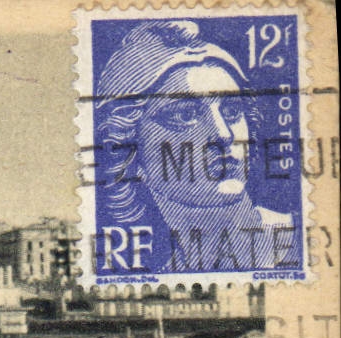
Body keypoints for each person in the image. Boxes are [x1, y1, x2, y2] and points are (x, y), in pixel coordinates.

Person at [93, 20, 297, 274]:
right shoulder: (154, 274)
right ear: (128, 149)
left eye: (232, 111)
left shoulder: (296, 240)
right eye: (185, 115)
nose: (223, 134)